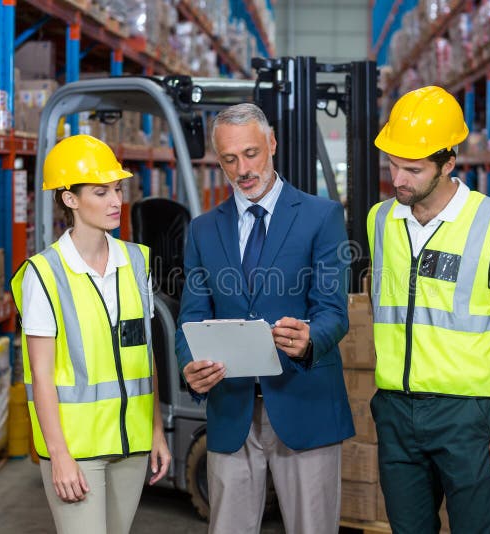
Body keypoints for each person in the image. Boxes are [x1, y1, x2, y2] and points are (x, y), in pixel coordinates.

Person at [174, 103, 354, 534]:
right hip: (231, 407)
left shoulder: (321, 216)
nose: (243, 169)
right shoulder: (203, 230)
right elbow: (192, 317)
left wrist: (311, 338)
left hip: (303, 401)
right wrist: (189, 365)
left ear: (272, 143)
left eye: (251, 153)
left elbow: (334, 311)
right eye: (229, 160)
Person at [367, 86, 490, 534]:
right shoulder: (380, 220)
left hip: (466, 418)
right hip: (397, 412)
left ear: (448, 163)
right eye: (393, 165)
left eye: (413, 169)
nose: (398, 179)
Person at [10, 134, 171, 534]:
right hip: (76, 449)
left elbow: (144, 353)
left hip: (131, 444)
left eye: (117, 189)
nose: (116, 201)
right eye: (101, 192)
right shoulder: (44, 275)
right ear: (70, 199)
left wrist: (156, 431)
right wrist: (58, 454)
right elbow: (40, 374)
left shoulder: (136, 261)